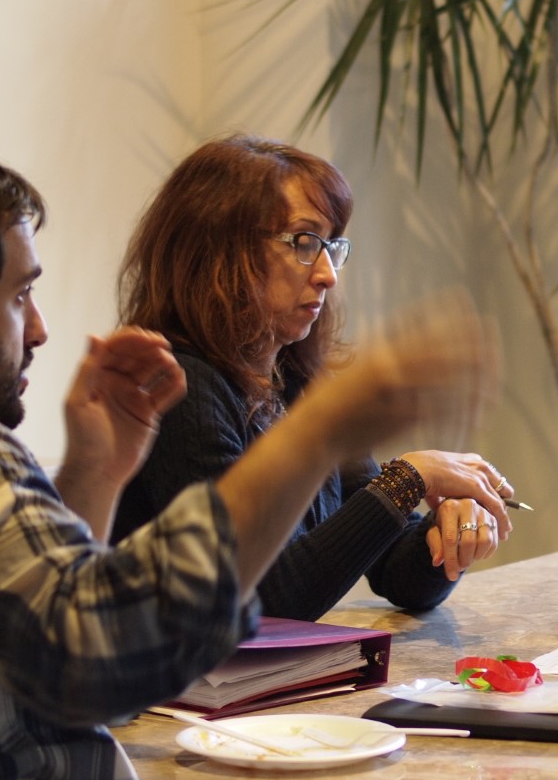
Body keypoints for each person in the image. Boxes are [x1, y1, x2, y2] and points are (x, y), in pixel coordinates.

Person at [0, 139, 497, 780]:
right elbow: (107, 668)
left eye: (329, 244)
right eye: (20, 297)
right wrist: (336, 446)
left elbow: (44, 640)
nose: (41, 329)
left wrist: (93, 474)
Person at [111, 134, 512, 620]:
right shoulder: (179, 386)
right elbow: (270, 598)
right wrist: (410, 477)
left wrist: (451, 528)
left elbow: (395, 573)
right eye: (304, 242)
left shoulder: (293, 382)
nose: (328, 274)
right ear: (220, 252)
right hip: (173, 693)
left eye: (331, 246)